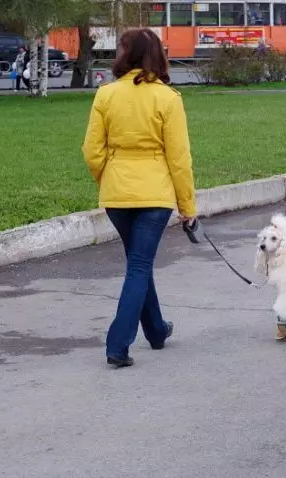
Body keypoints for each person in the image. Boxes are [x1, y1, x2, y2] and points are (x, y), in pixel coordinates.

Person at [82, 28, 197, 368]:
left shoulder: (106, 95)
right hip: (154, 195)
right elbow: (179, 159)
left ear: (124, 54)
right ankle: (117, 344)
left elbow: (91, 152)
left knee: (138, 262)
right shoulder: (168, 99)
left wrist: (110, 177)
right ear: (157, 55)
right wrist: (188, 208)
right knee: (140, 265)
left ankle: (157, 331)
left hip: (117, 194)